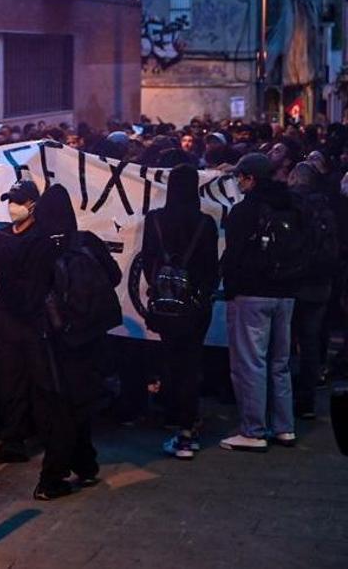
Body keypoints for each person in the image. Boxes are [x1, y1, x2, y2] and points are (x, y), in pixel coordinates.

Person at [0, 185, 119, 500]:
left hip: (52, 341)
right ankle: (86, 465)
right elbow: (115, 276)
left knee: (58, 408)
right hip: (86, 337)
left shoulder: (37, 246)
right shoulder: (87, 242)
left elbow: (1, 262)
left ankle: (51, 480)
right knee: (77, 402)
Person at [220, 152, 300, 452]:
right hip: (286, 292)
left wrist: (230, 287)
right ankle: (284, 427)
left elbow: (234, 255)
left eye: (241, 177)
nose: (238, 182)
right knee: (280, 362)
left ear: (250, 178)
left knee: (250, 362)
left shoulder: (244, 211)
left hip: (252, 293)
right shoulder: (291, 204)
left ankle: (253, 430)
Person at [140, 165, 219, 460]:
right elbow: (212, 267)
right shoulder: (206, 223)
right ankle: (187, 428)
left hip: (165, 305)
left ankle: (175, 418)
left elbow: (148, 262)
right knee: (190, 362)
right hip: (195, 307)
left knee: (171, 360)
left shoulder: (154, 220)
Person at [0, 180, 42, 465]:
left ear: (32, 205)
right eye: (10, 200)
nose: (12, 207)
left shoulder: (37, 238)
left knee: (25, 380)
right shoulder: (6, 232)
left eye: (18, 201)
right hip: (7, 322)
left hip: (28, 322)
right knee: (10, 381)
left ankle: (18, 439)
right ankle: (15, 434)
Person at [287, 162, 338, 420]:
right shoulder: (327, 209)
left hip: (297, 282)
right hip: (322, 283)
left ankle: (286, 400)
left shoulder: (294, 207)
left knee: (285, 342)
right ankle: (307, 398)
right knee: (310, 342)